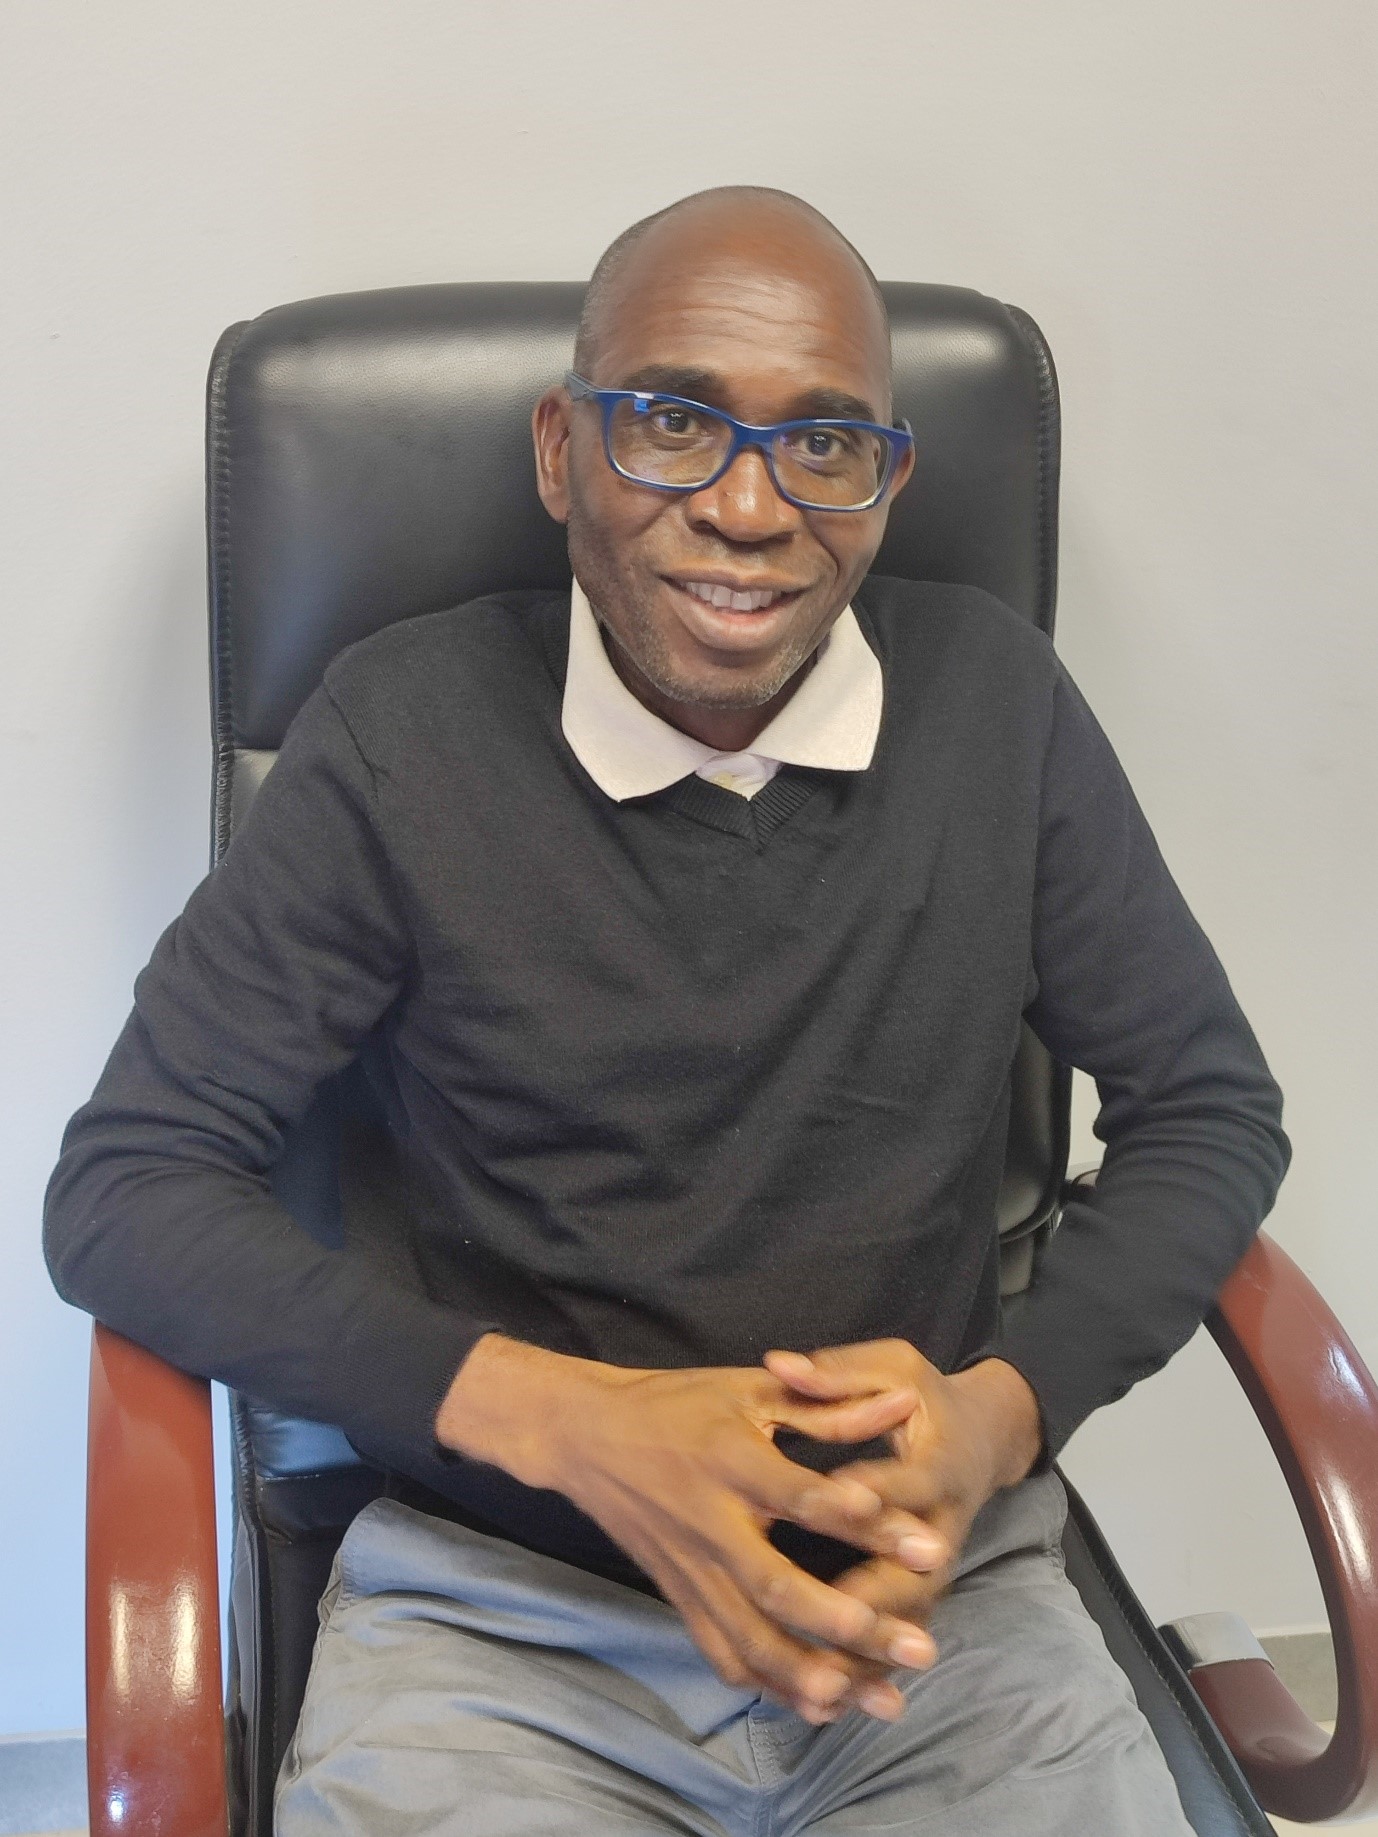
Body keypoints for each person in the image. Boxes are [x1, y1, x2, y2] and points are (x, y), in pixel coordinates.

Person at [45, 187, 1289, 1835]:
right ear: (561, 450)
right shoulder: (396, 735)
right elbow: (125, 1189)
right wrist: (568, 1421)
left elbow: (1207, 1110)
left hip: (926, 1598)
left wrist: (998, 1414)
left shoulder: (999, 708)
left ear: (888, 480)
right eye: (674, 424)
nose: (750, 507)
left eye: (823, 442)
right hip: (502, 1624)